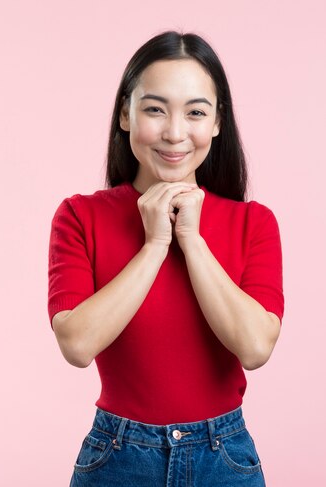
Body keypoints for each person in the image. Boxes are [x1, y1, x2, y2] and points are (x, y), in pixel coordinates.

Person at [47, 31, 284, 486]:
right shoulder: (79, 216)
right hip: (117, 457)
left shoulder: (254, 223)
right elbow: (76, 344)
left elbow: (255, 348)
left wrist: (189, 237)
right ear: (124, 114)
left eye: (196, 112)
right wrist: (154, 245)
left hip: (224, 459)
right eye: (155, 109)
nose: (175, 133)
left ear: (217, 123)